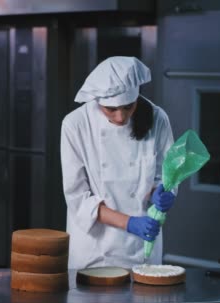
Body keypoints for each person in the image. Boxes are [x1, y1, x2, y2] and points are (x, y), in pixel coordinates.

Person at [61, 56, 176, 270]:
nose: (121, 117)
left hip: (143, 247)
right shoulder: (75, 125)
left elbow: (165, 174)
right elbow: (77, 198)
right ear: (97, 101)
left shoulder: (157, 118)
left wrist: (162, 191)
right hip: (94, 250)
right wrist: (130, 223)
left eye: (128, 107)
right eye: (110, 109)